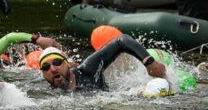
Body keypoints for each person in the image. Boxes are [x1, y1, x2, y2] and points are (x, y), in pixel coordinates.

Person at [38, 34, 167, 92]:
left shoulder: (88, 69)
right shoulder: (49, 93)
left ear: (68, 64)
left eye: (57, 62)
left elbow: (122, 40)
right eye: (46, 67)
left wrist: (149, 62)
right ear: (43, 75)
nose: (53, 69)